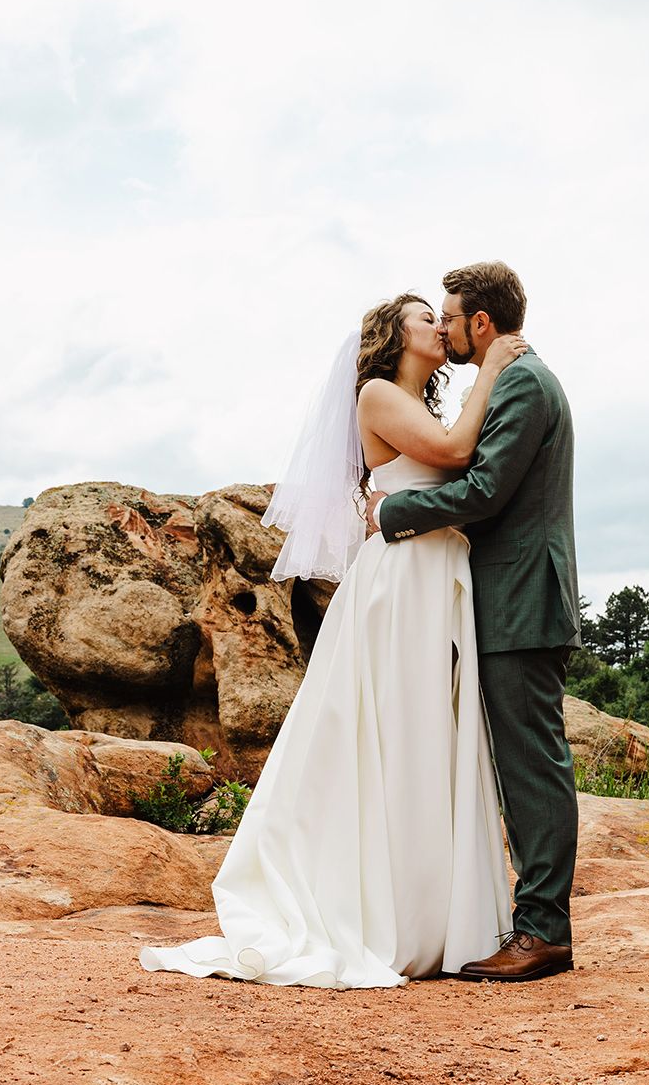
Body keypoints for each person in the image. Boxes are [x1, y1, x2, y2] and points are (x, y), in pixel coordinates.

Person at [137, 293, 526, 988]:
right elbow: (456, 453)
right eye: (423, 318)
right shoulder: (377, 393)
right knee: (399, 732)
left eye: (441, 317)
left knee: (427, 734)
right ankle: (383, 913)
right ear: (392, 337)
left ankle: (429, 910)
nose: (438, 326)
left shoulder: (420, 403)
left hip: (433, 573)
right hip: (403, 582)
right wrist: (492, 366)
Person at [367, 261, 580, 981]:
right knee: (521, 765)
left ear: (480, 324)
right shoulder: (515, 376)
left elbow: (484, 489)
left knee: (532, 766)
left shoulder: (520, 380)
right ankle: (530, 923)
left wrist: (392, 512)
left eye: (451, 319)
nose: (446, 331)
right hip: (504, 599)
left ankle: (544, 931)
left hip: (522, 600)